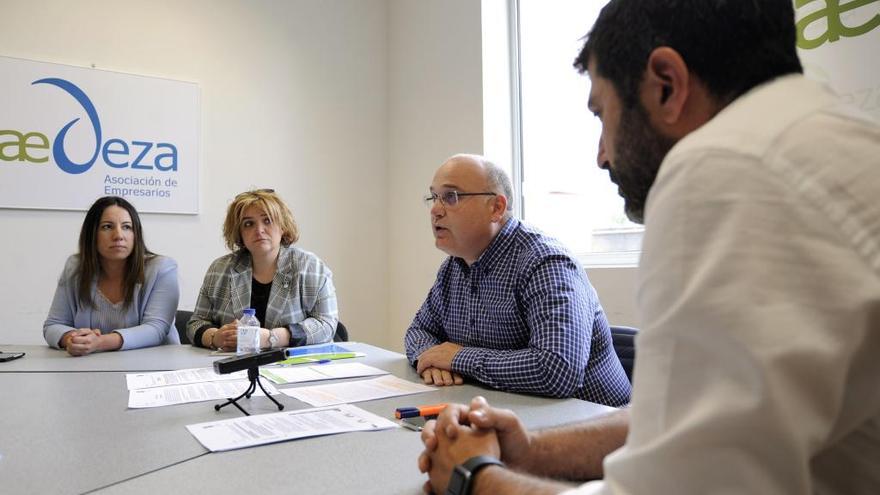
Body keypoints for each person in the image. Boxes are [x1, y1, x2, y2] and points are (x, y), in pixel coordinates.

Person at [417, 1, 880, 493]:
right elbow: (686, 420)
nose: (601, 155)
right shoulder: (822, 142)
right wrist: (529, 450)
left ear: (666, 84)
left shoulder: (725, 170)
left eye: (602, 113)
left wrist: (474, 478)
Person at [404, 154, 630, 406]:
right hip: (508, 413)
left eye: (450, 197)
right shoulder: (454, 267)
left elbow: (558, 370)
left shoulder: (546, 263)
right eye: (433, 197)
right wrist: (430, 359)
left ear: (496, 208)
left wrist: (457, 358)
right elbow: (419, 330)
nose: (435, 210)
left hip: (596, 427)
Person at [187, 189, 338, 350]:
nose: (259, 230)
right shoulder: (220, 269)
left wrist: (271, 338)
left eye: (267, 220)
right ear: (239, 233)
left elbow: (326, 324)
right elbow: (195, 324)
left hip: (292, 368)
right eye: (248, 224)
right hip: (233, 366)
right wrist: (215, 337)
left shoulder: (310, 267)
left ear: (282, 227)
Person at [43, 196, 180, 355]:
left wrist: (99, 342)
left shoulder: (161, 268)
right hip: (92, 369)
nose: (119, 235)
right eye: (107, 227)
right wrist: (72, 339)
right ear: (92, 234)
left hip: (153, 368)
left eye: (127, 227)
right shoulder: (75, 268)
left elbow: (156, 329)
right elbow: (53, 325)